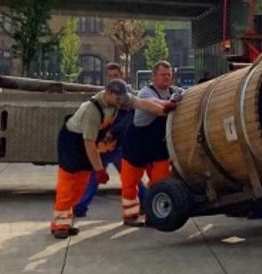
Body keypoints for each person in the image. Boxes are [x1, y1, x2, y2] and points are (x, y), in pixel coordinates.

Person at [50, 80, 168, 239]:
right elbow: (89, 144)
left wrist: (162, 110)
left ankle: (65, 222)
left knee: (80, 187)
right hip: (72, 144)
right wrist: (99, 170)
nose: (121, 102)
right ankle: (59, 226)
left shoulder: (120, 99)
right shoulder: (90, 111)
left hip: (88, 141)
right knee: (69, 183)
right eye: (118, 98)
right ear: (109, 93)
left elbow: (142, 103)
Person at [73, 63, 143, 218]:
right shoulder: (106, 94)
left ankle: (81, 206)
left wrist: (111, 132)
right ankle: (81, 206)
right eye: (110, 76)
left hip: (119, 143)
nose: (113, 79)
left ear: (122, 75)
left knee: (128, 176)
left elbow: (126, 119)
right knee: (107, 175)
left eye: (116, 76)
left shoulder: (125, 95)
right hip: (108, 143)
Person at [120, 60, 183, 227]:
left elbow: (189, 96)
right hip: (137, 145)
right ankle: (130, 216)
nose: (166, 78)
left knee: (160, 182)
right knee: (130, 183)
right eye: (163, 74)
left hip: (159, 146)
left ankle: (152, 215)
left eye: (169, 74)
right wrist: (174, 103)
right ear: (153, 76)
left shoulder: (175, 91)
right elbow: (160, 109)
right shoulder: (145, 93)